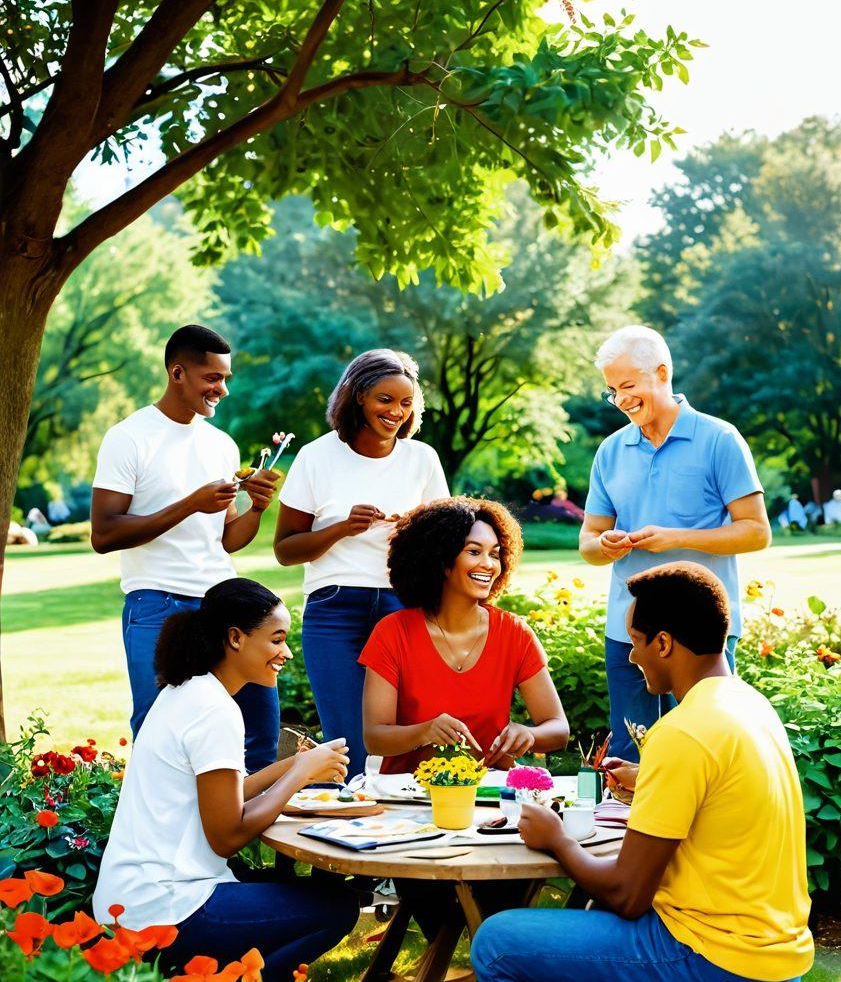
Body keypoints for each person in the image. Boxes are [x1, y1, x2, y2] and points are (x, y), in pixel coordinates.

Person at [471, 562, 814, 982]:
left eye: (635, 642)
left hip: (718, 964)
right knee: (588, 913)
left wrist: (555, 839)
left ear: (664, 642)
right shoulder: (745, 705)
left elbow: (630, 895)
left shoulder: (683, 733)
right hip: (777, 954)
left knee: (499, 943)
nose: (631, 657)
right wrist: (648, 777)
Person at [93, 578, 358, 982]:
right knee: (337, 906)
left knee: (309, 892)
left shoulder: (187, 691)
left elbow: (223, 795)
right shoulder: (214, 710)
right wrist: (298, 776)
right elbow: (226, 836)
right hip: (166, 908)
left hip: (130, 898)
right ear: (235, 638)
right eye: (276, 639)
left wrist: (293, 765)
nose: (286, 652)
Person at [91, 324, 281, 771]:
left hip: (222, 604)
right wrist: (190, 504)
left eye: (226, 378)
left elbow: (227, 539)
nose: (223, 390)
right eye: (212, 378)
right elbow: (104, 534)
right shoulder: (129, 437)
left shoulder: (220, 443)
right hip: (157, 604)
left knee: (257, 726)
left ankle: (242, 833)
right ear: (178, 372)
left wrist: (255, 508)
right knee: (162, 731)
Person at [579, 325, 770, 761]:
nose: (620, 400)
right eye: (612, 390)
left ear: (662, 373)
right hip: (627, 630)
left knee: (705, 750)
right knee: (629, 753)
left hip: (699, 630)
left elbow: (756, 531)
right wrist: (603, 544)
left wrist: (674, 539)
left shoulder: (720, 439)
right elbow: (587, 542)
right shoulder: (610, 451)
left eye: (628, 386)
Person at [274, 349, 449, 780]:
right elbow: (285, 548)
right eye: (384, 400)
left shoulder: (421, 458)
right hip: (334, 608)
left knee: (408, 735)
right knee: (347, 740)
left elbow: (448, 539)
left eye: (406, 402)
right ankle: (353, 837)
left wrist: (413, 529)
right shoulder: (317, 456)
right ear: (357, 397)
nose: (396, 411)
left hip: (402, 606)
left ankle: (406, 838)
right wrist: (340, 528)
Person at [360, 496, 569, 774]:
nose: (489, 564)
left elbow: (558, 728)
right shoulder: (393, 632)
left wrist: (528, 734)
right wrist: (426, 731)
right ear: (441, 559)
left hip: (487, 791)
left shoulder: (514, 633)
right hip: (406, 795)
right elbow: (375, 738)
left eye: (494, 554)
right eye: (474, 552)